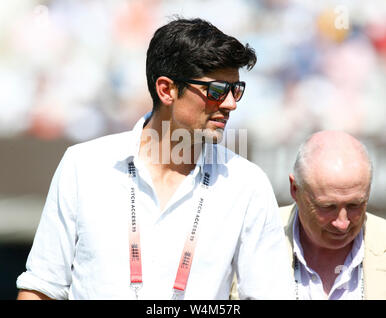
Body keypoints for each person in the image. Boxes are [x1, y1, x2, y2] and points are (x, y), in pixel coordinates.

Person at [16, 17, 294, 300]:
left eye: (236, 90)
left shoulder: (247, 184)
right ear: (166, 90)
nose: (231, 103)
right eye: (217, 91)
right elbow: (41, 288)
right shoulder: (83, 166)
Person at [281, 130, 386, 299]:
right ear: (295, 189)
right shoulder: (252, 237)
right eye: (328, 206)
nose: (342, 223)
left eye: (354, 205)